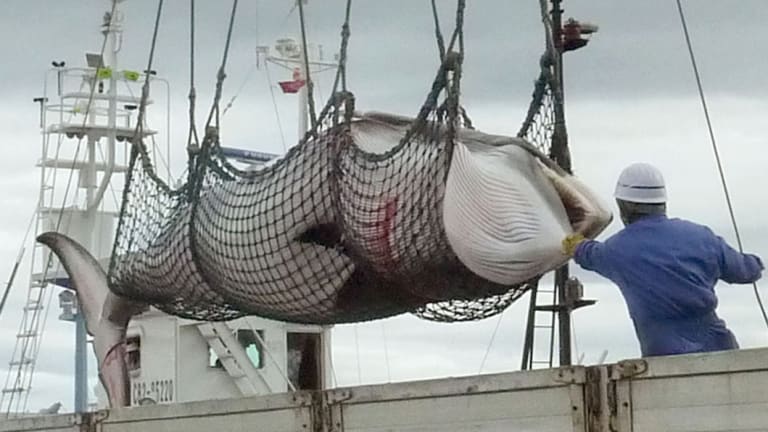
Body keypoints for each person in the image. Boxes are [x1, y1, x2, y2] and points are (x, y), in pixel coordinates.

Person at [561, 162, 764, 357]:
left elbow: (586, 252)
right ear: (662, 202)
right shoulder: (701, 236)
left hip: (663, 358)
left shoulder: (616, 250)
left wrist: (572, 242)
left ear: (623, 205)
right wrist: (756, 263)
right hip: (721, 353)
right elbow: (746, 271)